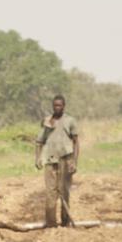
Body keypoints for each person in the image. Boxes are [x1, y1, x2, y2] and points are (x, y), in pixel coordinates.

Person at [33, 94, 79, 228]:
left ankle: (65, 222)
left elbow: (76, 142)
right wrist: (38, 158)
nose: (57, 108)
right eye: (55, 105)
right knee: (50, 193)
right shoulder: (47, 121)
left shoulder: (70, 121)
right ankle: (51, 224)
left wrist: (74, 161)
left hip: (66, 159)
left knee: (64, 191)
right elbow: (39, 141)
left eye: (59, 105)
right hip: (50, 160)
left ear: (63, 106)